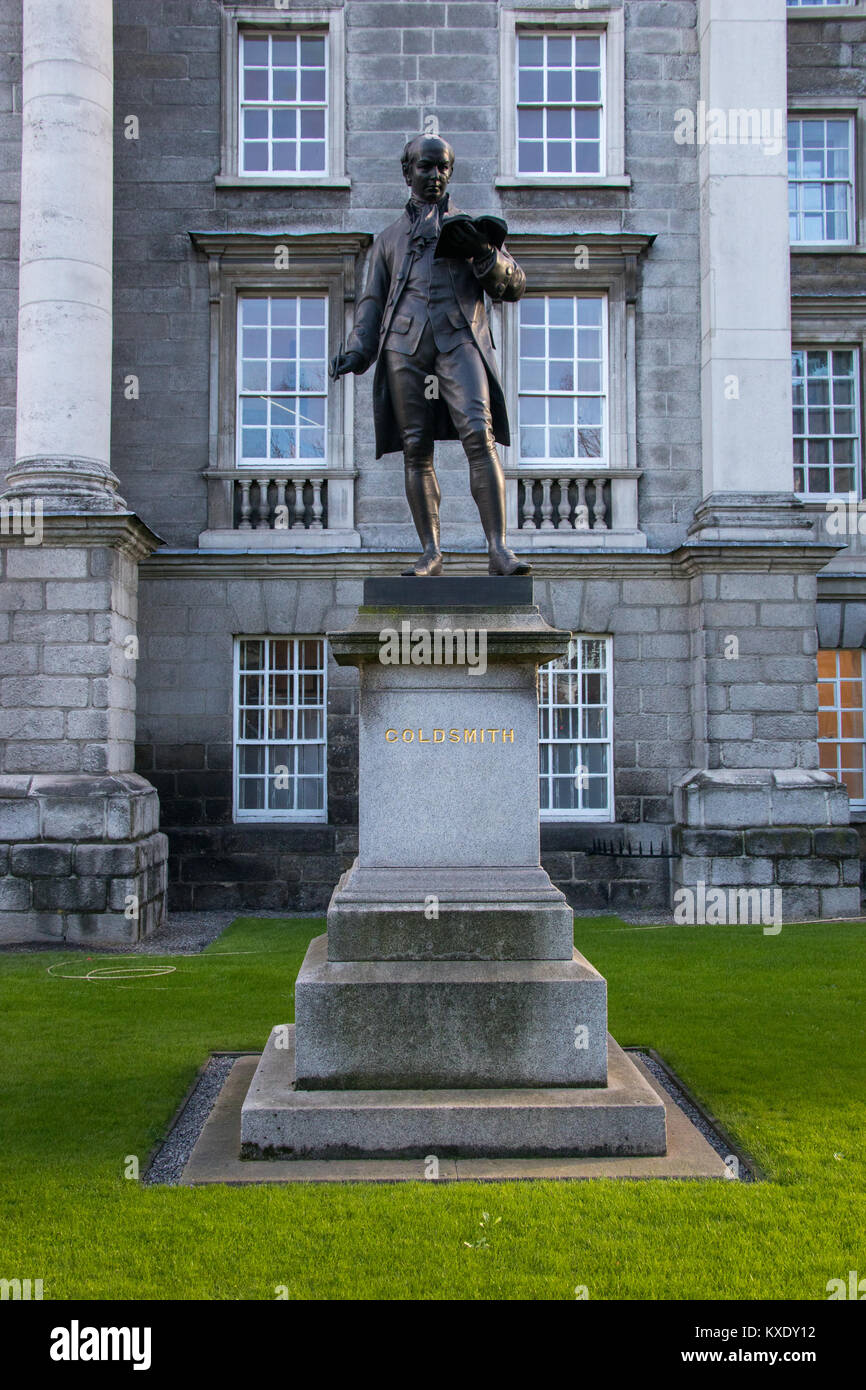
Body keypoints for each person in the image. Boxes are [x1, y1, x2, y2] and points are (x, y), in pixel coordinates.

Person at [330, 134, 531, 577]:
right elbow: (372, 301)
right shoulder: (387, 240)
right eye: (426, 166)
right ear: (408, 173)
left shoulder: (470, 226)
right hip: (405, 345)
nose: (435, 174)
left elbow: (514, 284)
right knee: (415, 449)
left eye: (442, 167)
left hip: (459, 339)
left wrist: (484, 253)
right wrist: (358, 350)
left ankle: (498, 549)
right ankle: (431, 551)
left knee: (481, 436)